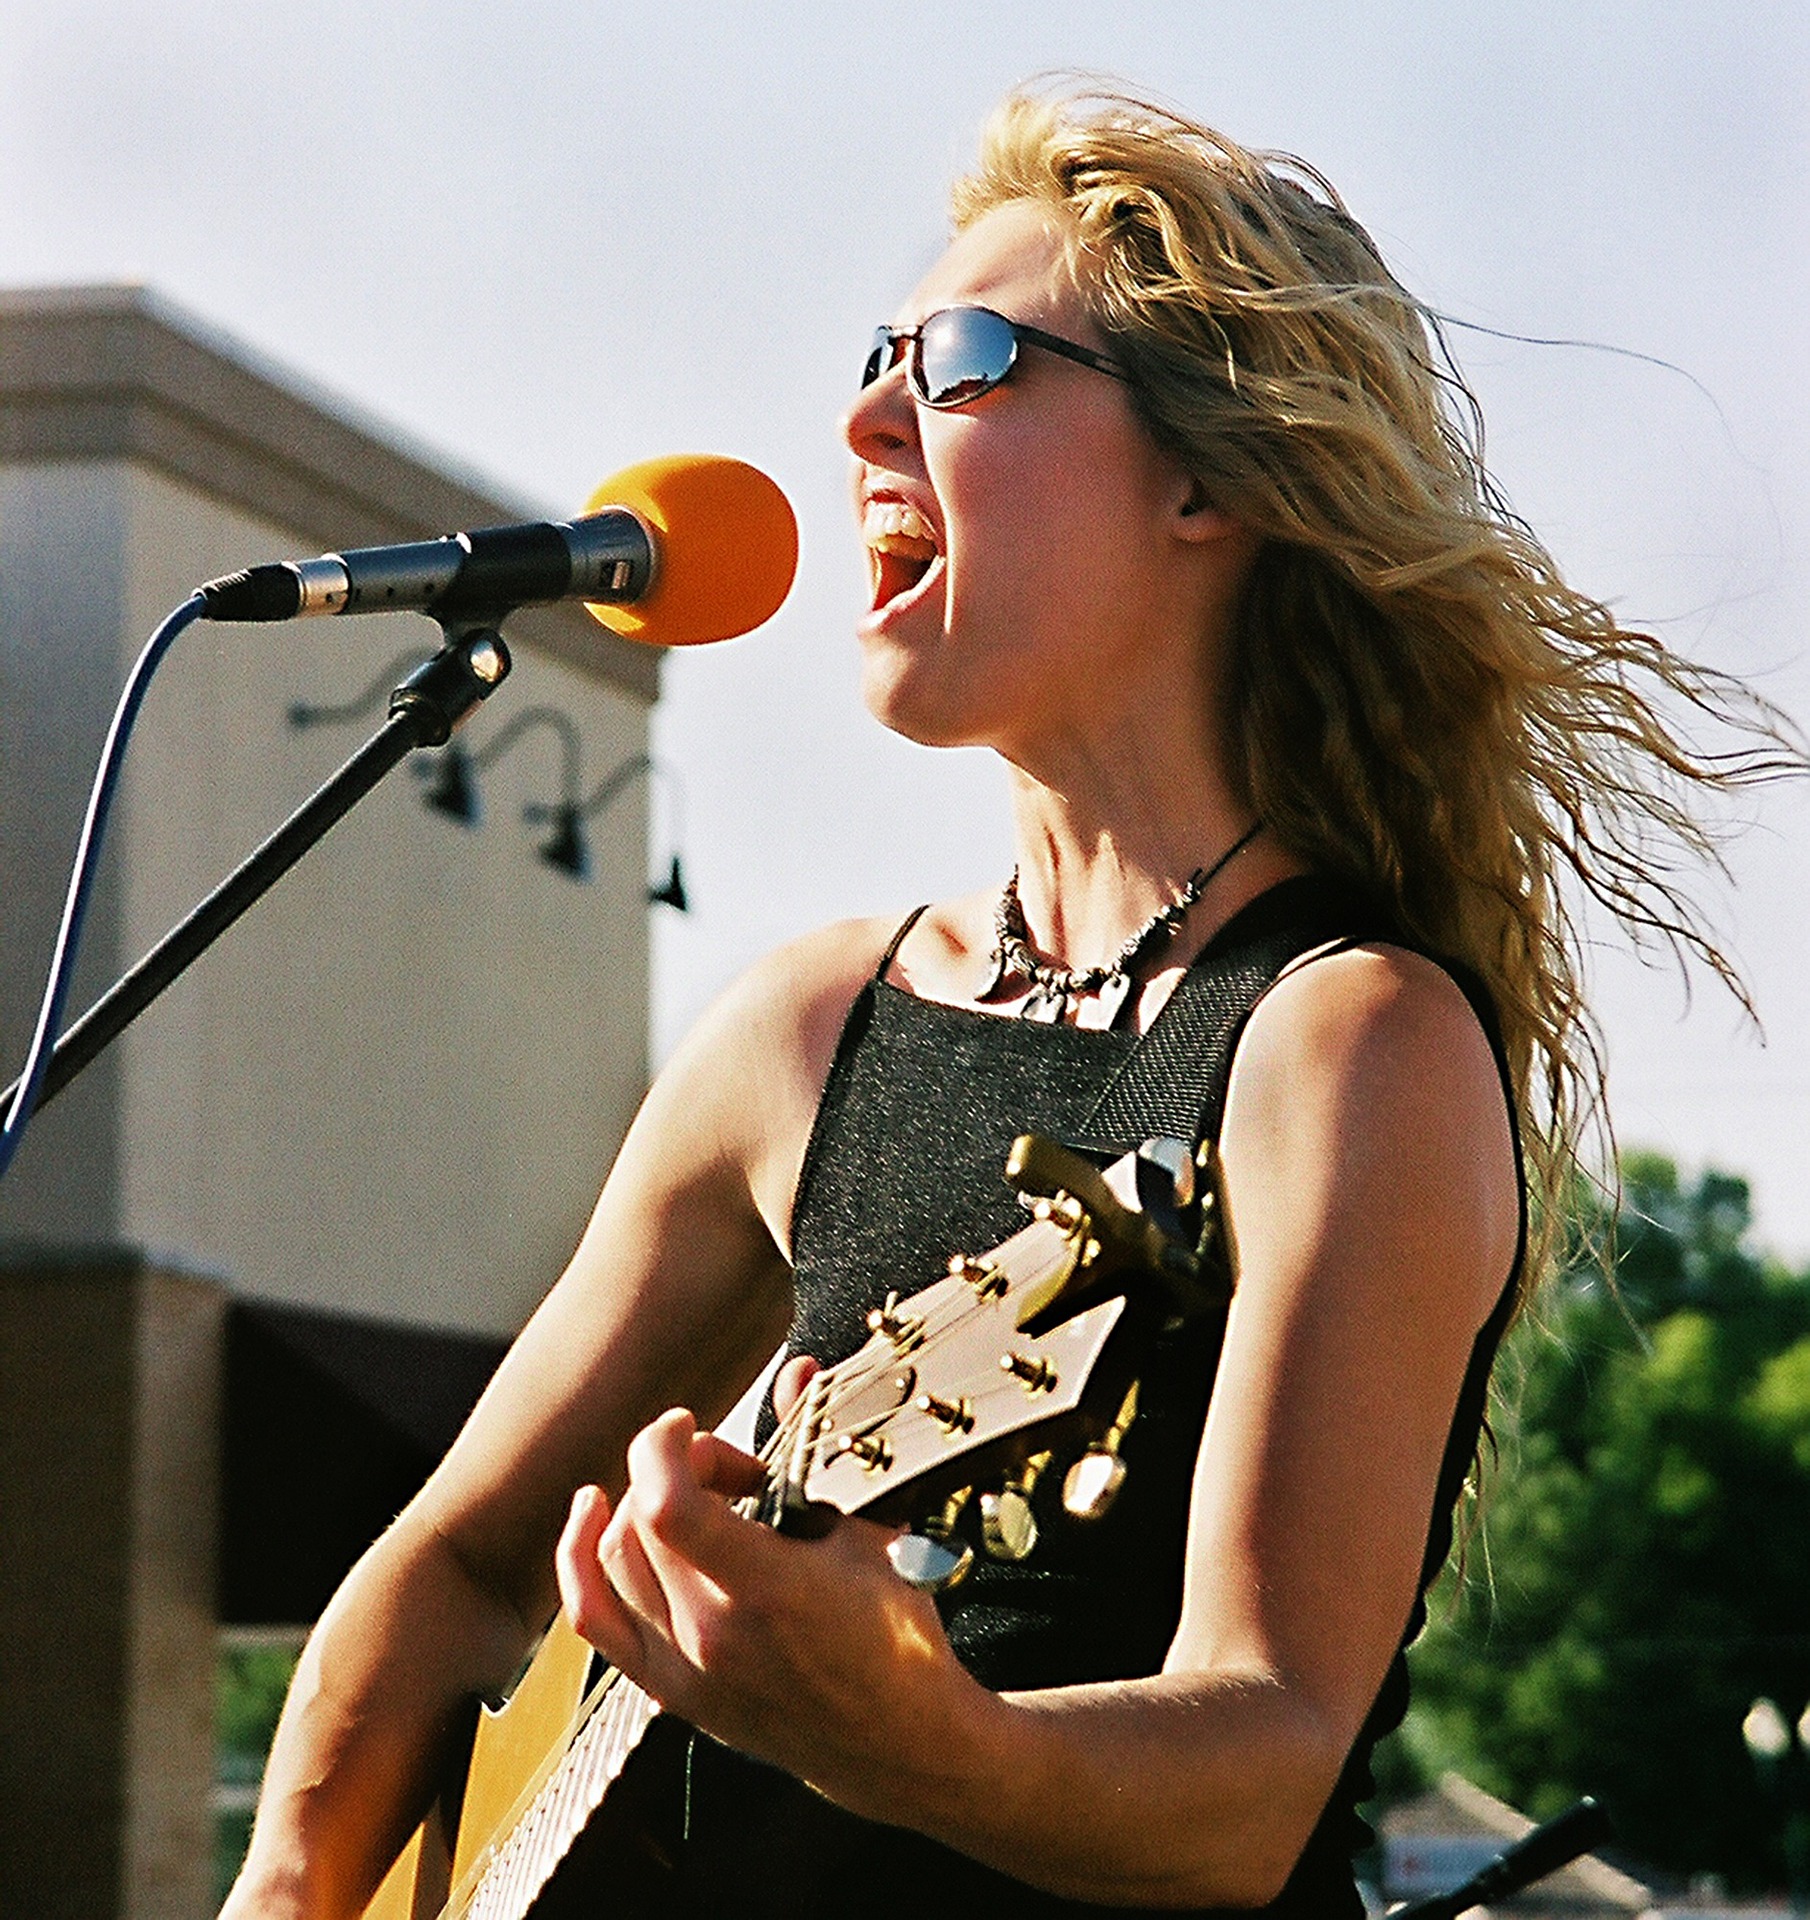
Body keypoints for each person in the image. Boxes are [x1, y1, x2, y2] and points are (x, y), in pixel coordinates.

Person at [222, 86, 1783, 1918]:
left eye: (959, 365)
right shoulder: (802, 1029)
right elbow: (471, 1567)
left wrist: (905, 1730)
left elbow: (1255, 1763)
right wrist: (285, 1885)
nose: (865, 414)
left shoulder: (1342, 1043)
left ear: (1210, 480)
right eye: (873, 354)